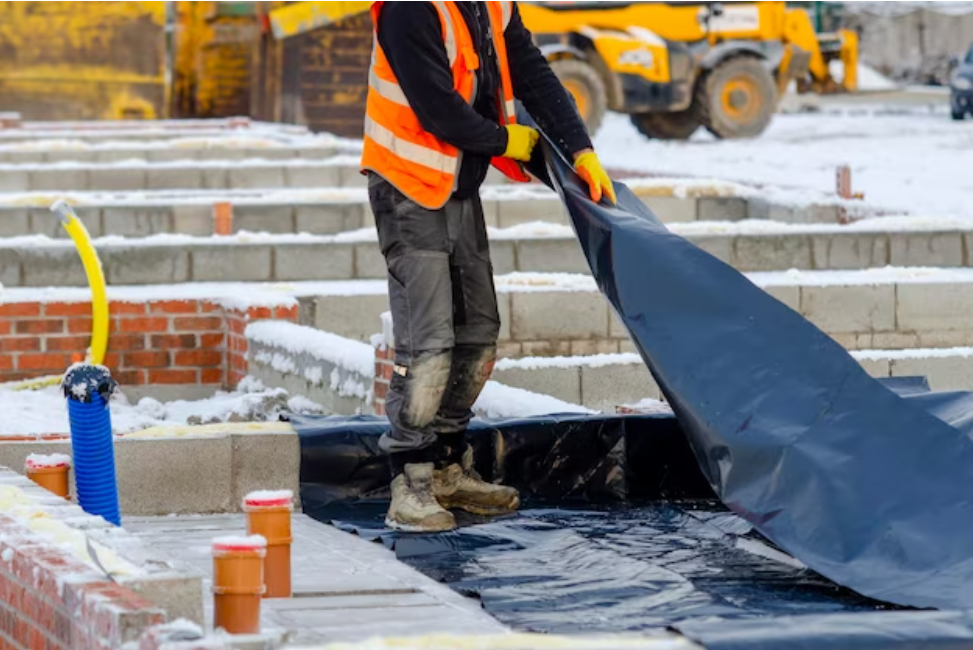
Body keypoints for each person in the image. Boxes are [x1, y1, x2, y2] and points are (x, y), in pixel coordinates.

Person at [360, 0, 616, 532]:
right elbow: (436, 105)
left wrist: (581, 148)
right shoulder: (410, 9)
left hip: (455, 184)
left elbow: (532, 72)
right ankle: (410, 480)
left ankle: (449, 468)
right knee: (426, 346)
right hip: (408, 185)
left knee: (477, 336)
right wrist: (504, 140)